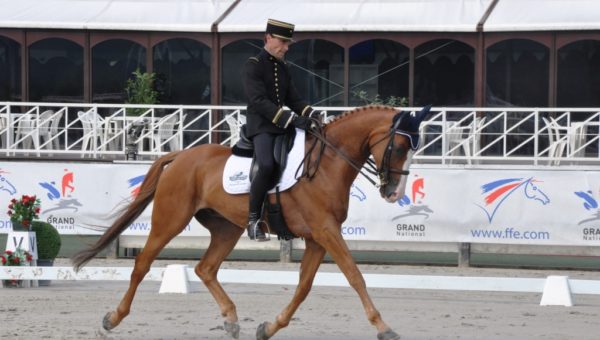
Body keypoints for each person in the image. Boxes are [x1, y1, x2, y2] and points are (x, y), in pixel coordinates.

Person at [243, 18, 318, 241]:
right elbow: (258, 101)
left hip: (282, 127)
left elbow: (294, 98)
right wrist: (293, 120)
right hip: (261, 126)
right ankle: (253, 220)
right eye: (283, 43)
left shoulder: (283, 67)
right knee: (266, 165)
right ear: (268, 38)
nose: (286, 48)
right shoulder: (253, 64)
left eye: (288, 44)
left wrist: (312, 115)